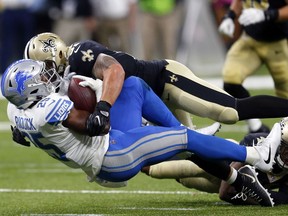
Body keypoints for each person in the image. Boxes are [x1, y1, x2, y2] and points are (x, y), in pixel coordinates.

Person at [1, 58, 282, 207]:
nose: (46, 78)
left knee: (134, 85)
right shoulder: (49, 107)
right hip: (113, 155)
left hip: (109, 144)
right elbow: (99, 125)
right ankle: (259, 156)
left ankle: (235, 178)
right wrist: (100, 98)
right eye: (39, 79)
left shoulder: (16, 110)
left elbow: (20, 130)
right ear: (32, 92)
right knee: (187, 141)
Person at [23, 32, 288, 132]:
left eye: (45, 68)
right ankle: (244, 177)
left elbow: (116, 70)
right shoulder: (67, 76)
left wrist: (103, 107)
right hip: (149, 103)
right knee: (184, 155)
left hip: (165, 81)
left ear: (55, 53)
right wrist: (27, 128)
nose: (45, 76)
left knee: (229, 111)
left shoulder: (80, 55)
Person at [142, 119, 288, 206]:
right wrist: (237, 185)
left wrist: (246, 196)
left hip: (221, 185)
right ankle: (145, 135)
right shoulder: (265, 142)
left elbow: (279, 198)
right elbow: (244, 149)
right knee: (172, 168)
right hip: (225, 160)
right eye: (287, 148)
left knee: (184, 180)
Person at [218, 0, 288, 133]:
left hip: (278, 43)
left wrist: (267, 15)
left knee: (285, 95)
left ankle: (285, 138)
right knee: (231, 79)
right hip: (250, 40)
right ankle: (256, 127)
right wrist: (230, 16)